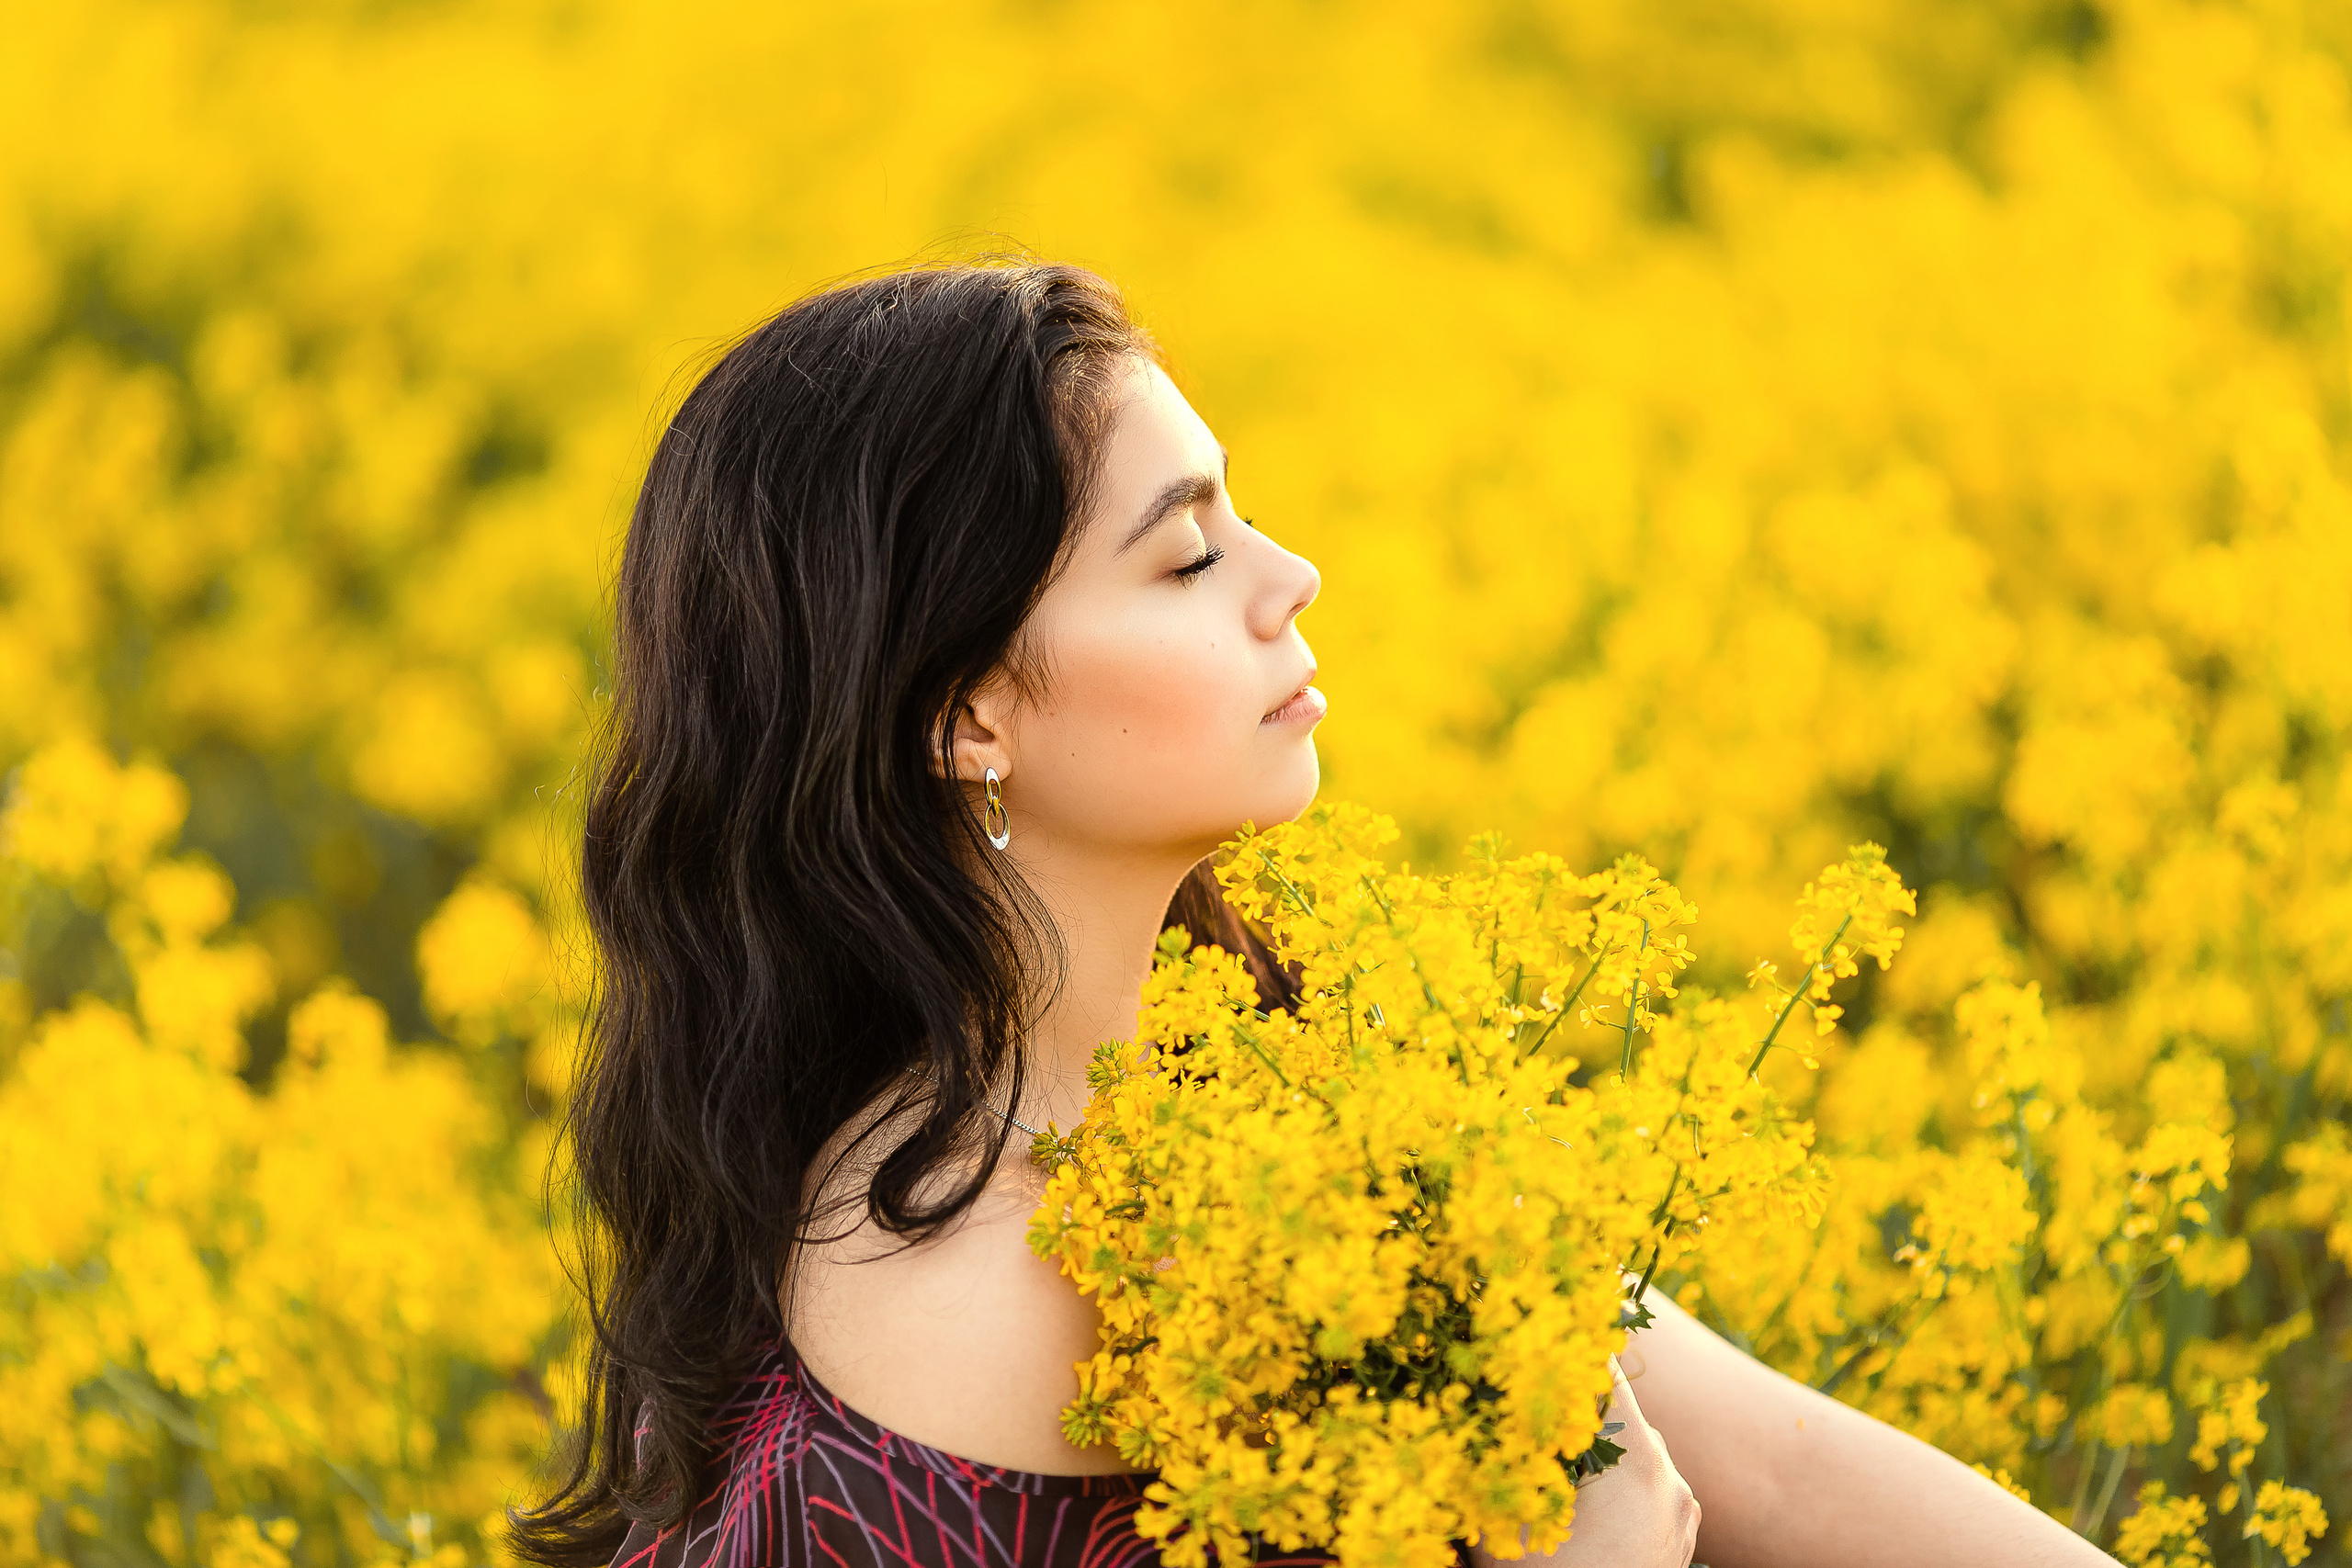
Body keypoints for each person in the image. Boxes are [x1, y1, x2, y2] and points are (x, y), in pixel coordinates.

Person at [511, 260, 2116, 1568]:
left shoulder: (1232, 1061)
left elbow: (1755, 1450)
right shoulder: (983, 1294)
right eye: (1190, 554)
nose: (1293, 575)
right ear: (971, 717)